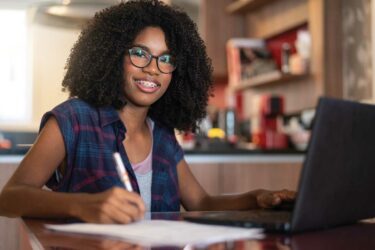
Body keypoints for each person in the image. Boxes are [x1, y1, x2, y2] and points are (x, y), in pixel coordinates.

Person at [0, 0, 295, 224]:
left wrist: (255, 197)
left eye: (166, 59)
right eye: (140, 53)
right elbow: (9, 198)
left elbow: (200, 201)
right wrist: (81, 205)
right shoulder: (73, 120)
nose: (153, 68)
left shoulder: (162, 134)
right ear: (114, 56)